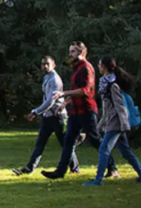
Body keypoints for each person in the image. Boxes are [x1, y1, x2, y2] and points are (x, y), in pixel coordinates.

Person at [41, 41, 119, 179]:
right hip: (75, 111)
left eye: (73, 51)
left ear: (82, 53)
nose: (70, 54)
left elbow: (85, 90)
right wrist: (65, 102)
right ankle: (60, 172)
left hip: (86, 110)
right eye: (70, 51)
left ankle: (112, 169)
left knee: (95, 139)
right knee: (68, 140)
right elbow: (75, 90)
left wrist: (64, 94)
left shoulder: (86, 68)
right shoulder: (76, 68)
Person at [84, 56, 141, 186]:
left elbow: (121, 107)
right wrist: (100, 125)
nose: (98, 67)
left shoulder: (112, 85)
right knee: (125, 152)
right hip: (113, 122)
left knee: (104, 149)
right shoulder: (105, 84)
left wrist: (125, 126)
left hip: (116, 124)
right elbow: (106, 109)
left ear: (103, 66)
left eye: (99, 64)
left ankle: (98, 179)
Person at [12, 55, 81, 175]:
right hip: (47, 117)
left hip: (57, 116)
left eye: (47, 64)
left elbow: (50, 101)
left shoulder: (55, 79)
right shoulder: (46, 77)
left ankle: (74, 168)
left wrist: (36, 112)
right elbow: (46, 99)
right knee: (40, 143)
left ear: (53, 65)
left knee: (65, 144)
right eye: (43, 64)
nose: (44, 66)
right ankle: (29, 169)